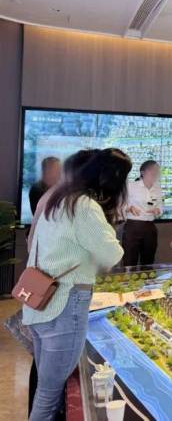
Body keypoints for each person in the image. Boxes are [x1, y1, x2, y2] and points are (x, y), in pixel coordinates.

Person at [23, 148, 129, 421]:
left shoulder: (58, 198)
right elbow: (112, 254)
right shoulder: (84, 206)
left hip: (40, 302)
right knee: (48, 396)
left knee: (47, 391)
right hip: (65, 304)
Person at [122, 160, 162, 267]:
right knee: (130, 261)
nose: (155, 173)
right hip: (132, 226)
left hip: (150, 227)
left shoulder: (157, 189)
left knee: (148, 261)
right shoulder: (131, 186)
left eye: (157, 170)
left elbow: (160, 207)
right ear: (142, 172)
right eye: (151, 170)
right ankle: (129, 277)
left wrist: (157, 211)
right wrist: (129, 208)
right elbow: (120, 205)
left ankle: (147, 278)